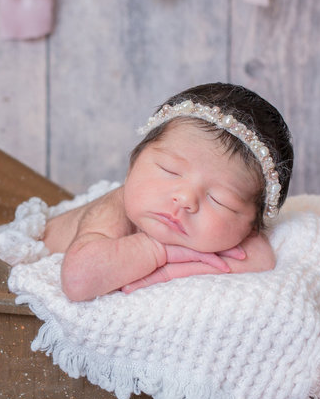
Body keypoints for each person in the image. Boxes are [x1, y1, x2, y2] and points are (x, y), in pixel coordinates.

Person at [42, 82, 294, 301]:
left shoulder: (238, 235)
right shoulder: (112, 209)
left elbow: (261, 261)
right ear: (132, 167)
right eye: (169, 170)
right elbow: (77, 282)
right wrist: (158, 250)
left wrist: (168, 272)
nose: (185, 199)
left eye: (220, 200)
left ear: (251, 226)